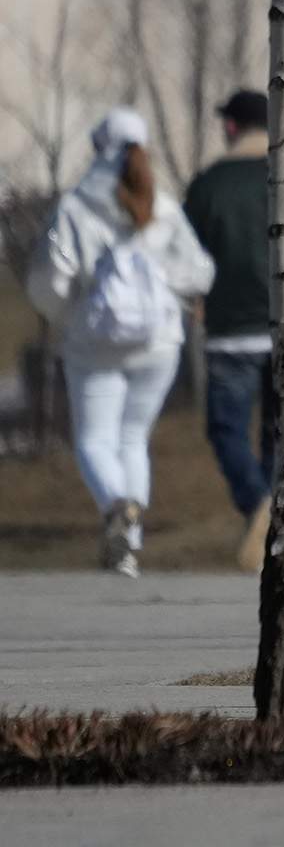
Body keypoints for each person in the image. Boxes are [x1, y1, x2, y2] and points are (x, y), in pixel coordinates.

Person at [27, 109, 216, 578]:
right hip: (158, 341)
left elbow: (51, 280)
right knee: (133, 437)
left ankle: (117, 511)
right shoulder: (163, 205)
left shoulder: (75, 207)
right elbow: (201, 271)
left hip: (93, 343)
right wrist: (162, 291)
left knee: (94, 439)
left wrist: (68, 317)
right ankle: (127, 543)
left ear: (98, 148)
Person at [183, 89, 275, 570]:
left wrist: (191, 301)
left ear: (233, 127)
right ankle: (274, 516)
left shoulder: (208, 185)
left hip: (228, 328)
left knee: (226, 429)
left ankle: (256, 501)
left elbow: (185, 255)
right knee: (279, 431)